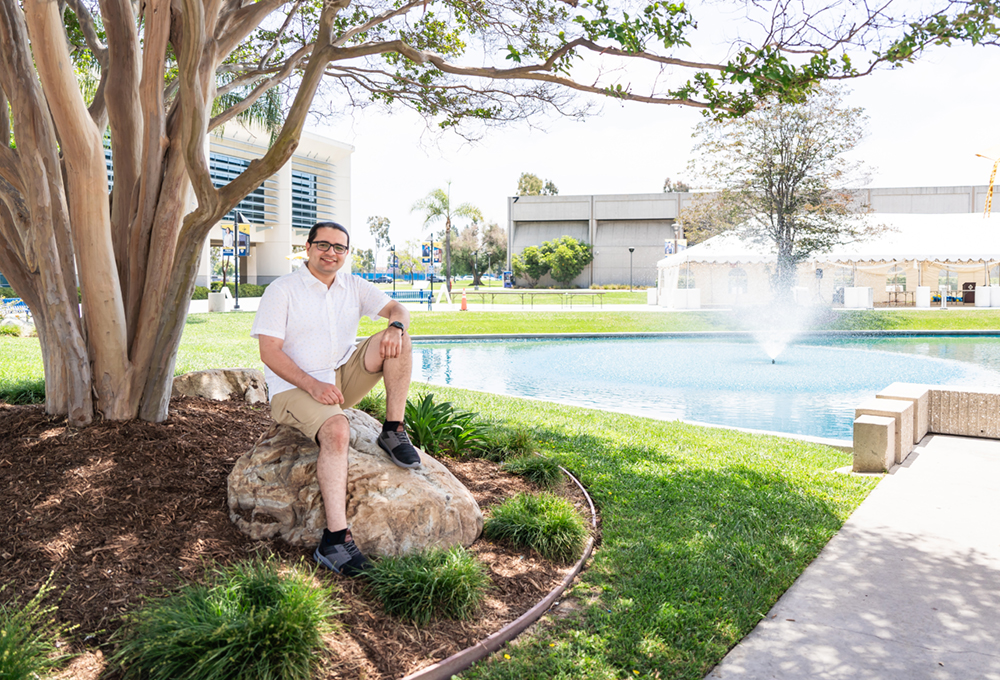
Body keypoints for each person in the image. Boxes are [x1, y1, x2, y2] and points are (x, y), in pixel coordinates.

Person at [251, 221, 420, 577]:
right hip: (293, 388)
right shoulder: (282, 290)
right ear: (308, 248)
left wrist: (395, 326)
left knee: (399, 341)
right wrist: (313, 386)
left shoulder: (352, 285)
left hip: (340, 377)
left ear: (346, 252)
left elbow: (399, 310)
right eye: (323, 245)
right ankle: (335, 540)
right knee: (337, 430)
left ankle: (393, 429)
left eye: (339, 247)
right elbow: (270, 351)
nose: (331, 253)